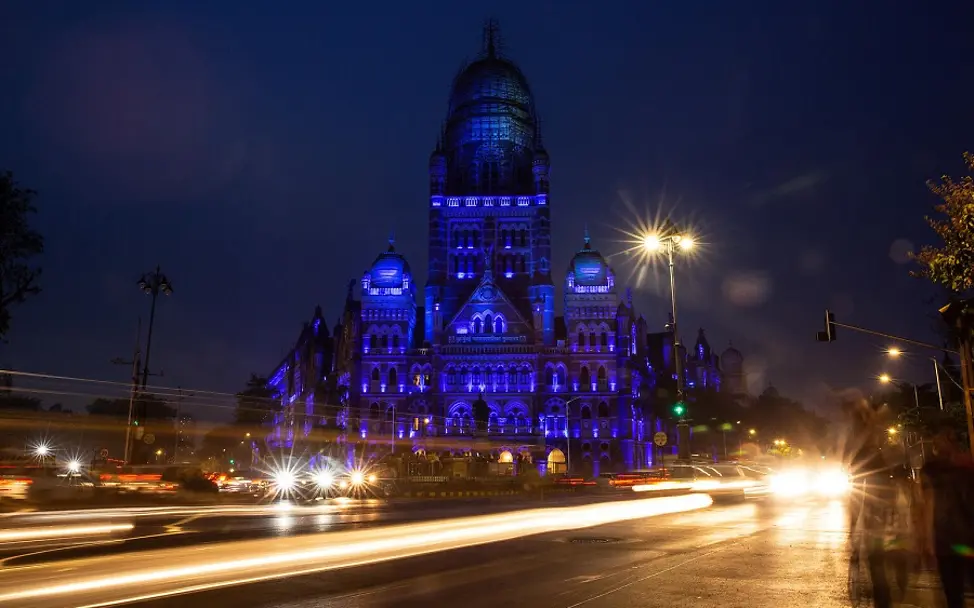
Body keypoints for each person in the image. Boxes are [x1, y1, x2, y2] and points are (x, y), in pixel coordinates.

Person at [919, 424, 974, 608]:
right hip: (969, 537)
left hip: (946, 540)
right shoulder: (968, 465)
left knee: (953, 594)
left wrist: (928, 542)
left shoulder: (930, 470)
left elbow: (929, 504)